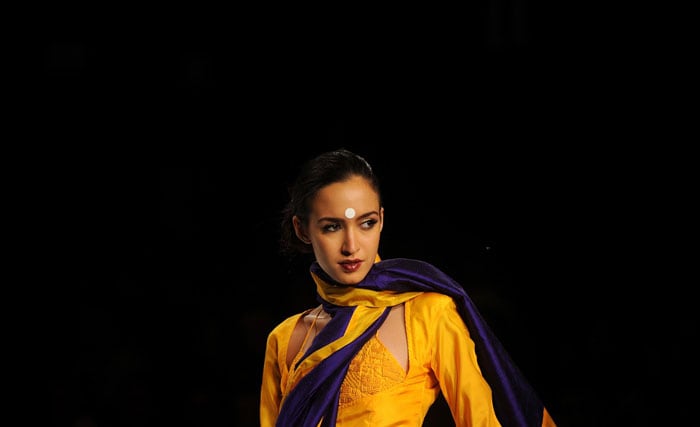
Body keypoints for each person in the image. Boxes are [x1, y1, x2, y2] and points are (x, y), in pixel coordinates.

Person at [259, 148, 557, 427]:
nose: (352, 246)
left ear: (382, 220)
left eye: (366, 223)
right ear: (302, 229)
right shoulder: (285, 338)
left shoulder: (426, 314)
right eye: (332, 227)